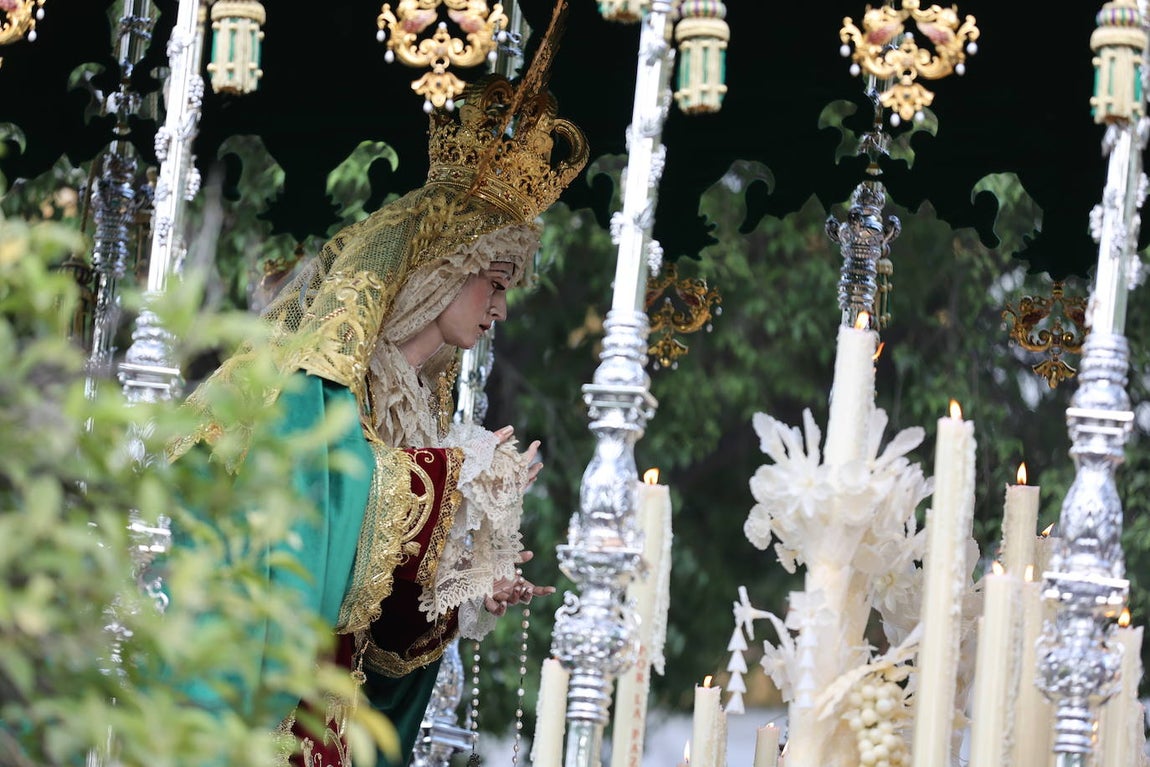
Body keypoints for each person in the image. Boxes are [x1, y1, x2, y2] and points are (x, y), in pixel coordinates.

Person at [167, 72, 589, 766]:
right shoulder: (317, 383)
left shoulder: (417, 403)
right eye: (496, 283)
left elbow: (387, 635)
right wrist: (452, 480)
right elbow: (315, 509)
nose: (501, 311)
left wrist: (465, 581)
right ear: (442, 267)